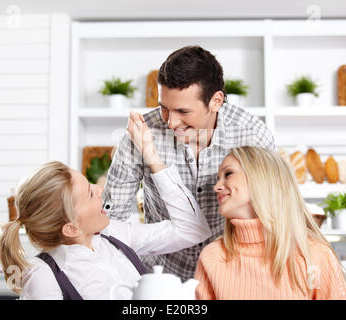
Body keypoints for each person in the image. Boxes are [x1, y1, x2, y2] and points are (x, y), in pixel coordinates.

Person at [103, 45, 275, 280]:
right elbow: (113, 218)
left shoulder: (252, 134)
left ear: (216, 101)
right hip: (162, 273)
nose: (171, 122)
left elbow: (271, 211)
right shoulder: (143, 132)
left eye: (184, 111)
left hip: (232, 272)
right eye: (165, 108)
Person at [0, 113, 211, 300]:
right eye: (90, 193)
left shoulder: (115, 235)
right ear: (71, 228)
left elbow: (193, 230)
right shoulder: (43, 276)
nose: (99, 190)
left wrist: (152, 156)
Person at [194, 146, 346, 300]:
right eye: (218, 179)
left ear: (261, 177)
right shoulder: (212, 257)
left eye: (228, 174)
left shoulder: (313, 255)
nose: (216, 187)